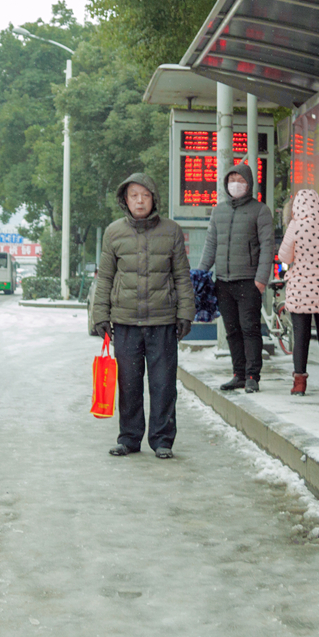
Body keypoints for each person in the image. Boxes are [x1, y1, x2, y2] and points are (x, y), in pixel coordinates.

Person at [92, 173, 195, 459]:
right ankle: (129, 438)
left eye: (145, 195)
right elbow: (105, 279)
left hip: (162, 322)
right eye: (134, 195)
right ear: (125, 200)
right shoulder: (113, 232)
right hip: (125, 322)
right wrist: (100, 315)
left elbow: (182, 276)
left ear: (154, 198)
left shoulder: (172, 231)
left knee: (163, 385)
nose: (139, 200)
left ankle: (162, 440)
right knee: (128, 384)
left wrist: (186, 311)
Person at [197, 163, 274, 393]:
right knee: (231, 330)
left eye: (240, 180)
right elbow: (211, 244)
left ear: (249, 183)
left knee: (249, 328)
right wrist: (201, 273)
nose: (236, 184)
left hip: (249, 281)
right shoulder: (218, 211)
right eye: (232, 179)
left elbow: (267, 247)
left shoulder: (260, 210)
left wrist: (261, 279)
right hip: (223, 282)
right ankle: (238, 374)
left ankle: (252, 375)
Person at [277, 189, 319, 396]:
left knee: (301, 337)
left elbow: (284, 257)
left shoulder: (295, 226)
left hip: (300, 290)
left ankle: (299, 384)